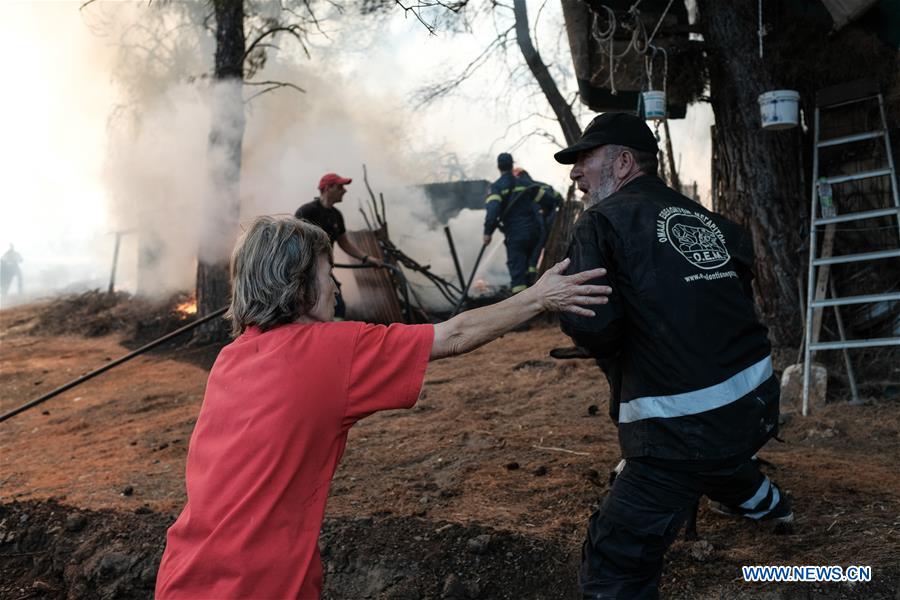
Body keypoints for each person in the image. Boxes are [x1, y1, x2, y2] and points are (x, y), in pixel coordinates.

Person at [155, 215, 611, 599]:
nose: (334, 285)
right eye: (325, 271)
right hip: (261, 584)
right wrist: (538, 296)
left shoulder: (230, 356)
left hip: (181, 575)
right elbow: (452, 336)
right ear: (297, 286)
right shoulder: (332, 351)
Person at [553, 112, 792, 599]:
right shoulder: (712, 222)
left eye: (584, 160)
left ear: (622, 163)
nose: (575, 172)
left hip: (681, 429)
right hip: (756, 404)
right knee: (722, 461)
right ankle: (772, 506)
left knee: (615, 560)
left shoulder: (600, 223)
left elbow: (593, 326)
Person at [295, 172, 383, 319]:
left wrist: (367, 258)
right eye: (340, 186)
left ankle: (334, 335)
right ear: (328, 188)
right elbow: (294, 242)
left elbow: (344, 242)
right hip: (304, 271)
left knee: (337, 305)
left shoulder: (336, 215)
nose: (344, 190)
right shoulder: (307, 212)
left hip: (324, 269)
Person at [483, 153, 544, 293]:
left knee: (518, 272)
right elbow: (547, 199)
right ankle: (535, 296)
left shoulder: (497, 187)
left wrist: (487, 233)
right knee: (531, 267)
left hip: (515, 235)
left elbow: (492, 211)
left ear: (498, 167)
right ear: (512, 165)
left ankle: (522, 305)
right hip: (534, 233)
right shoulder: (525, 183)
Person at [512, 167, 564, 272]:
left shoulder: (526, 187)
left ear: (518, 176)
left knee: (533, 253)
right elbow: (559, 199)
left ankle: (531, 277)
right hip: (549, 223)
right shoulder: (543, 185)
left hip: (538, 225)